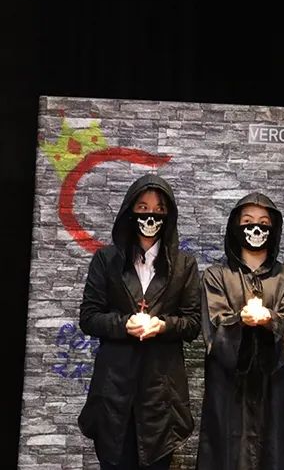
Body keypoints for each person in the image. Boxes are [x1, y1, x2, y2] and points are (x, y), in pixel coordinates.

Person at [77, 174, 201, 470]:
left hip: (161, 389)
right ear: (129, 210)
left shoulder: (184, 265)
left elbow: (193, 323)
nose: (151, 215)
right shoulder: (106, 259)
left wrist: (163, 325)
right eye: (143, 207)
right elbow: (89, 317)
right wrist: (124, 324)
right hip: (114, 385)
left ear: (169, 215)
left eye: (159, 209)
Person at [196, 192, 284, 470]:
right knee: (225, 455)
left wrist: (270, 320)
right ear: (236, 226)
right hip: (228, 388)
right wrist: (240, 320)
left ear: (274, 229)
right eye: (247, 221)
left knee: (275, 454)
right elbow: (214, 328)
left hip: (274, 387)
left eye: (263, 222)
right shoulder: (216, 276)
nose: (255, 227)